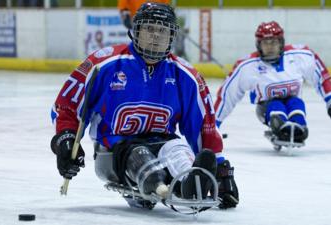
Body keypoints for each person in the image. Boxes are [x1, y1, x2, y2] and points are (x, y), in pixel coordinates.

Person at [50, 3, 238, 210]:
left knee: (178, 150)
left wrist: (220, 168)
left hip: (163, 142)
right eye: (149, 29)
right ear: (136, 30)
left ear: (171, 36)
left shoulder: (186, 75)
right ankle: (164, 186)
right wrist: (65, 139)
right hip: (116, 150)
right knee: (140, 155)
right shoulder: (104, 63)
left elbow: (203, 125)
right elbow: (68, 105)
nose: (156, 36)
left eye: (162, 31)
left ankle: (189, 183)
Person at [214, 21, 331, 145]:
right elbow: (227, 95)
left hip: (293, 102)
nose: (270, 47)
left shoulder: (300, 56)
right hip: (266, 109)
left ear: (281, 42)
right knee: (276, 104)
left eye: (273, 42)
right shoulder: (247, 66)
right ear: (258, 44)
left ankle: (299, 127)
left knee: (296, 103)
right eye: (265, 43)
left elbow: (321, 78)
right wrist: (214, 125)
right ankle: (281, 127)